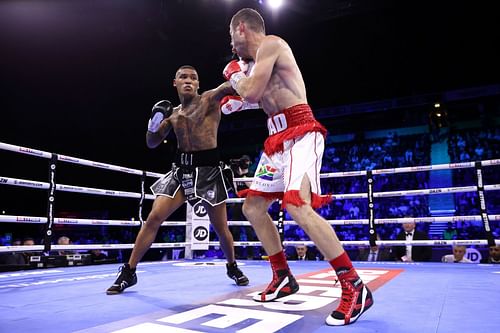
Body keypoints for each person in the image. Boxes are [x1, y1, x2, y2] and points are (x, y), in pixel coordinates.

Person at [222, 8, 373, 326]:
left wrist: (234, 76)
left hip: (301, 132)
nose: (231, 45)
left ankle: (354, 286)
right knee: (252, 208)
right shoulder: (253, 65)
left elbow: (250, 90)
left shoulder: (272, 44)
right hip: (275, 140)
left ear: (242, 29)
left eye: (231, 37)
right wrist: (228, 97)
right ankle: (283, 276)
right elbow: (250, 98)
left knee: (298, 206)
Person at [106, 65, 249, 295]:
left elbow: (234, 86)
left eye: (193, 77)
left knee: (221, 229)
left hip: (209, 170)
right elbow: (151, 143)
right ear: (175, 83)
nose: (189, 81)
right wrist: (153, 123)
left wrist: (243, 69)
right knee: (153, 218)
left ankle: (232, 266)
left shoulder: (210, 99)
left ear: (199, 83)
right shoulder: (172, 113)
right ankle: (129, 272)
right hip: (181, 171)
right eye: (183, 77)